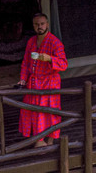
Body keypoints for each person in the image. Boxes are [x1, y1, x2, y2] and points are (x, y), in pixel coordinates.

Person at [16, 12, 68, 145]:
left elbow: (64, 64)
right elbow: (26, 62)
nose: (39, 27)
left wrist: (50, 59)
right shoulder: (31, 41)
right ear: (33, 26)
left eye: (42, 24)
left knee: (49, 113)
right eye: (36, 24)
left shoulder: (55, 42)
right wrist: (23, 79)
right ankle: (39, 140)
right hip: (33, 83)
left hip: (49, 83)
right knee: (33, 112)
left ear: (47, 24)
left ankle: (49, 140)